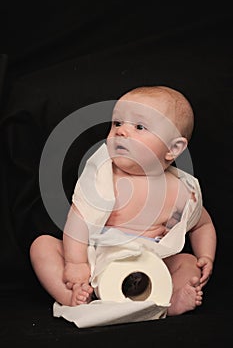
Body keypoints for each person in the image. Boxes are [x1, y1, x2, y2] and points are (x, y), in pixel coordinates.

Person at [30, 85, 217, 316]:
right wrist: (76, 264)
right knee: (42, 246)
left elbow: (202, 224)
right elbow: (77, 221)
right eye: (117, 123)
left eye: (139, 127)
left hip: (152, 263)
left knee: (188, 263)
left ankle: (170, 300)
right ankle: (72, 297)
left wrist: (205, 256)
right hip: (95, 263)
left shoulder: (180, 191)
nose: (121, 131)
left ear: (173, 148)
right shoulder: (103, 177)